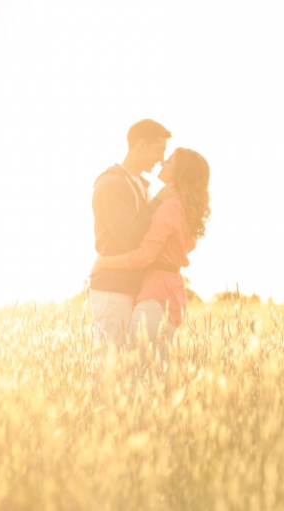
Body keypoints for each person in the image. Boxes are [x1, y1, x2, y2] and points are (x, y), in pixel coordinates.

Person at [92, 147, 210, 365]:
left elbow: (144, 256)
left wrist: (104, 263)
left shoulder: (169, 208)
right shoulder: (186, 208)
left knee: (134, 369)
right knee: (156, 373)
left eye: (170, 161)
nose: (163, 161)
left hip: (155, 295)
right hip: (174, 294)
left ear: (179, 173)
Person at [90, 119, 175, 363]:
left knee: (127, 365)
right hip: (113, 287)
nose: (161, 158)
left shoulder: (139, 185)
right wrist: (157, 202)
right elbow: (129, 238)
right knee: (109, 362)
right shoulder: (112, 183)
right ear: (141, 146)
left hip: (130, 286)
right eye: (159, 150)